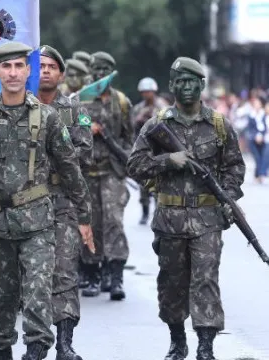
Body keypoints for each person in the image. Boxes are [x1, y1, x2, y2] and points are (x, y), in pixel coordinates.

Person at [0, 41, 92, 360]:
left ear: (27, 72)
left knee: (39, 289)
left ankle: (37, 349)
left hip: (38, 223)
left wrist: (85, 218)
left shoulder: (48, 117)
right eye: (6, 67)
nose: (13, 73)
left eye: (18, 66)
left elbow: (71, 170)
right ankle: (3, 352)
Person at [127, 57, 245, 360]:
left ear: (202, 85)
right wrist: (168, 160)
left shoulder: (219, 125)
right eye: (181, 81)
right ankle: (177, 340)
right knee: (172, 283)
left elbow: (234, 169)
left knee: (206, 280)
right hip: (170, 220)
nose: (187, 87)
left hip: (207, 219)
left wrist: (228, 199)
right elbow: (135, 165)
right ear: (172, 85)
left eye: (193, 81)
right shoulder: (157, 125)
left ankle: (205, 346)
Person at [37, 46, 94, 360]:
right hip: (25, 203)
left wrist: (50, 148)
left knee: (64, 271)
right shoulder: (20, 108)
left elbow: (85, 154)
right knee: (31, 274)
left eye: (51, 66)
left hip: (63, 200)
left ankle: (64, 342)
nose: (45, 70)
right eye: (40, 65)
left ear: (60, 74)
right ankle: (36, 340)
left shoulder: (76, 110)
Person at [79, 51, 135, 300]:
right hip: (87, 171)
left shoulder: (121, 102)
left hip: (112, 171)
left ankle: (116, 276)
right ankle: (92, 274)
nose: (99, 74)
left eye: (104, 69)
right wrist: (85, 129)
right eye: (96, 69)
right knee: (91, 224)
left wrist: (125, 158)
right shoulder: (80, 101)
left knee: (114, 221)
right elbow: (68, 134)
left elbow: (129, 138)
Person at [132, 77, 169, 224]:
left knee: (160, 183)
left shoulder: (162, 106)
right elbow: (132, 127)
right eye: (144, 92)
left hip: (160, 149)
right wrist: (139, 120)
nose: (147, 94)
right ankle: (145, 211)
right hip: (144, 149)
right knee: (144, 183)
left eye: (149, 91)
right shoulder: (138, 108)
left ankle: (158, 211)